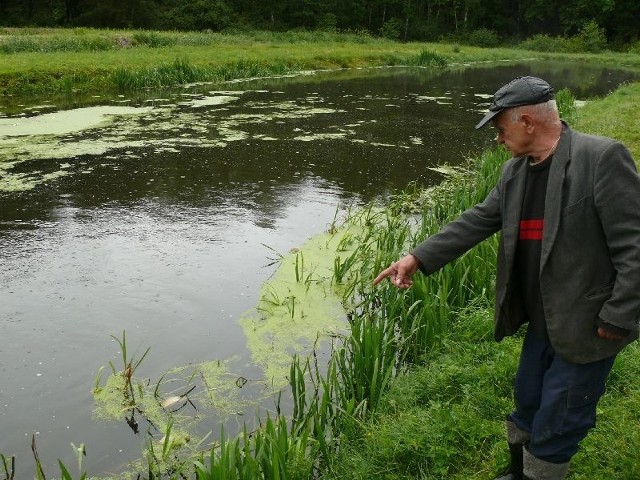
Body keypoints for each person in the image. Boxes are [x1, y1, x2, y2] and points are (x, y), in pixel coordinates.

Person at [373, 76, 640, 480]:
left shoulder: (600, 159)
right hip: (542, 319)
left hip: (589, 322)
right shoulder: (515, 172)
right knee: (528, 401)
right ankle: (520, 473)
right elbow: (478, 219)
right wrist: (417, 257)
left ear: (528, 121)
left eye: (501, 129)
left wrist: (619, 315)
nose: (498, 139)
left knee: (561, 416)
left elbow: (634, 245)